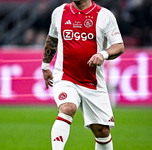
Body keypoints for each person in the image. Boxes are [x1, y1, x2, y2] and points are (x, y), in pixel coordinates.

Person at [41, 0, 124, 150]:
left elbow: (119, 45)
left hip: (93, 81)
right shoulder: (59, 12)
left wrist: (103, 54)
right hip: (65, 76)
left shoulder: (104, 15)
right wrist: (45, 66)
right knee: (67, 108)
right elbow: (52, 39)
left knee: (102, 131)